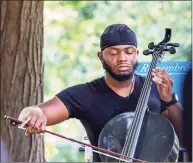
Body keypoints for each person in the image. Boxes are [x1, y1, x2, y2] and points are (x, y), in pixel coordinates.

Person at [18, 24, 184, 162]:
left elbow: (185, 135)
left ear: (137, 54)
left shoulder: (155, 87)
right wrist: (33, 112)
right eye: (113, 53)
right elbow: (38, 111)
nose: (122, 58)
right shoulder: (85, 94)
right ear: (100, 57)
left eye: (129, 51)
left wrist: (169, 100)